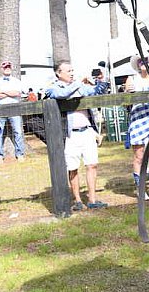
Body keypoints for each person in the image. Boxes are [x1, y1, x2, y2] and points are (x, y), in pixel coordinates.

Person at [45, 61, 110, 211]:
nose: (72, 73)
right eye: (68, 71)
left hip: (87, 131)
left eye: (72, 70)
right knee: (73, 167)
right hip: (69, 135)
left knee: (91, 164)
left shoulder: (80, 86)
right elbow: (61, 94)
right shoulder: (53, 87)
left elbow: (95, 91)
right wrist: (78, 84)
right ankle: (78, 200)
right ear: (58, 73)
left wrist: (101, 80)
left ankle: (92, 199)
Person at [124, 55, 149, 200]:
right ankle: (140, 189)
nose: (142, 63)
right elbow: (125, 103)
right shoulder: (131, 79)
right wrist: (128, 94)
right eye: (140, 61)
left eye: (145, 60)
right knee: (139, 156)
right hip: (138, 119)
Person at [0, 61, 26, 162]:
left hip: (14, 108)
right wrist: (9, 93)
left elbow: (17, 93)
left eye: (8, 67)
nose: (7, 68)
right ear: (1, 69)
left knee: (18, 131)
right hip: (0, 109)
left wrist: (3, 92)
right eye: (5, 67)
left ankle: (20, 154)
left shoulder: (16, 81)